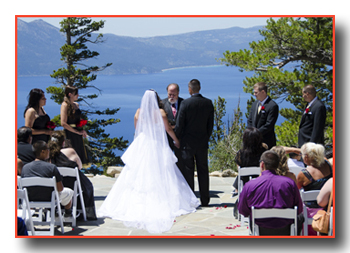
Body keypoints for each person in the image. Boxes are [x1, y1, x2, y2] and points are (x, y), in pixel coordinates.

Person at [98, 90, 199, 234]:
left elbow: (137, 128)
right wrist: (176, 140)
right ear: (157, 99)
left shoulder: (139, 112)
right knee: (160, 171)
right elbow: (168, 129)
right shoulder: (161, 113)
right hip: (156, 144)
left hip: (143, 143)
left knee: (138, 172)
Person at [238, 150, 304, 235]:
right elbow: (299, 209)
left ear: (262, 164)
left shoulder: (249, 185)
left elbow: (243, 211)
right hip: (286, 230)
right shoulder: (289, 183)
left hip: (261, 230)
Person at [175, 79, 214, 207]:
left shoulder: (185, 104)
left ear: (190, 89)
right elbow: (210, 125)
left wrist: (178, 138)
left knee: (188, 171)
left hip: (187, 143)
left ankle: (191, 199)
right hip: (202, 142)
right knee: (203, 170)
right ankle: (205, 199)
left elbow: (180, 124)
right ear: (199, 88)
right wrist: (206, 137)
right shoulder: (208, 103)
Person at [48, 130, 97, 220]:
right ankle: (81, 211)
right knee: (88, 186)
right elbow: (80, 166)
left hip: (57, 187)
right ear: (63, 142)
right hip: (73, 185)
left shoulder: (49, 154)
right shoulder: (70, 151)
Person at [21, 141, 74, 217]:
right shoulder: (51, 167)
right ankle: (68, 214)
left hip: (30, 198)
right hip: (49, 198)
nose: (49, 151)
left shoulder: (25, 168)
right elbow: (60, 189)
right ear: (43, 152)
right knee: (69, 192)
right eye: (48, 149)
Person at [297, 142, 332, 235]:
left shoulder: (304, 174)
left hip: (310, 211)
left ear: (307, 156)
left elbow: (296, 189)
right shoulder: (328, 165)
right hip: (328, 208)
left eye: (302, 154)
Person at [232, 127, 268, 196]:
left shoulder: (241, 153)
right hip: (261, 181)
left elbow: (239, 168)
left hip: (245, 183)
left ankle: (237, 190)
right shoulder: (263, 152)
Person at [60, 86, 89, 164]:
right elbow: (63, 123)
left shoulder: (76, 105)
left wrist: (82, 130)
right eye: (75, 94)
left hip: (78, 133)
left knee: (79, 153)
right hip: (70, 133)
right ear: (70, 94)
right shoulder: (65, 105)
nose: (78, 95)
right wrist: (76, 131)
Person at [247, 82, 279, 149]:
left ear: (263, 92)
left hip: (266, 141)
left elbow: (269, 124)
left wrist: (256, 133)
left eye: (256, 92)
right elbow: (250, 120)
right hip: (253, 141)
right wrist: (250, 133)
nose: (254, 94)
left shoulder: (272, 105)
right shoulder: (255, 104)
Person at [162, 83, 184, 172]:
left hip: (181, 138)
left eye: (174, 95)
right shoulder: (162, 104)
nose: (171, 97)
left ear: (178, 93)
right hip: (166, 139)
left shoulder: (184, 103)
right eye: (169, 94)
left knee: (181, 164)